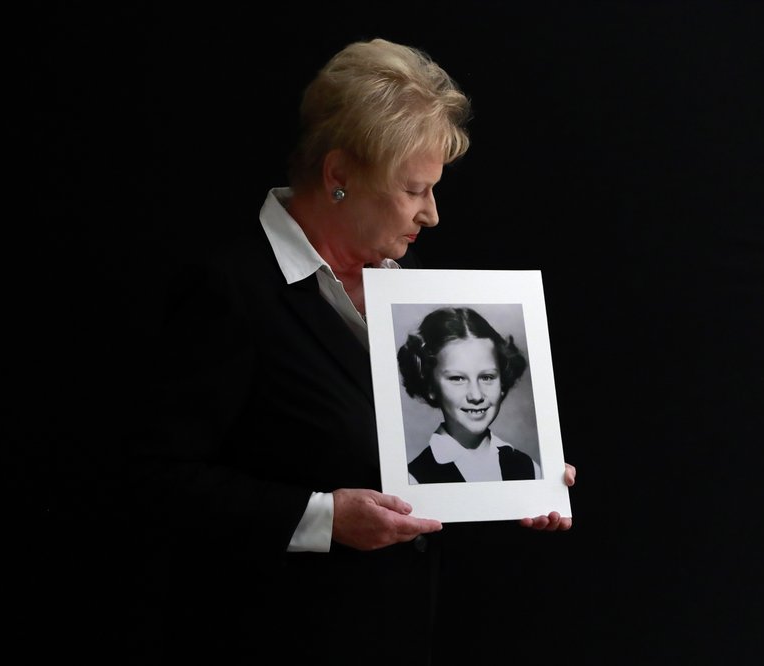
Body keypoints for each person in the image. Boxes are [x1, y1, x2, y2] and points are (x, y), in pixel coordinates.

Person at [135, 37, 576, 665]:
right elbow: (155, 480)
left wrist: (519, 481)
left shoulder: (407, 279)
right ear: (339, 175)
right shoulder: (231, 290)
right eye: (414, 189)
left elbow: (412, 456)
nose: (432, 214)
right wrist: (323, 518)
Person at [398, 306, 541, 483]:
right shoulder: (413, 479)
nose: (476, 395)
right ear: (431, 387)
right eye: (457, 378)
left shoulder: (529, 468)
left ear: (502, 382)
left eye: (487, 377)